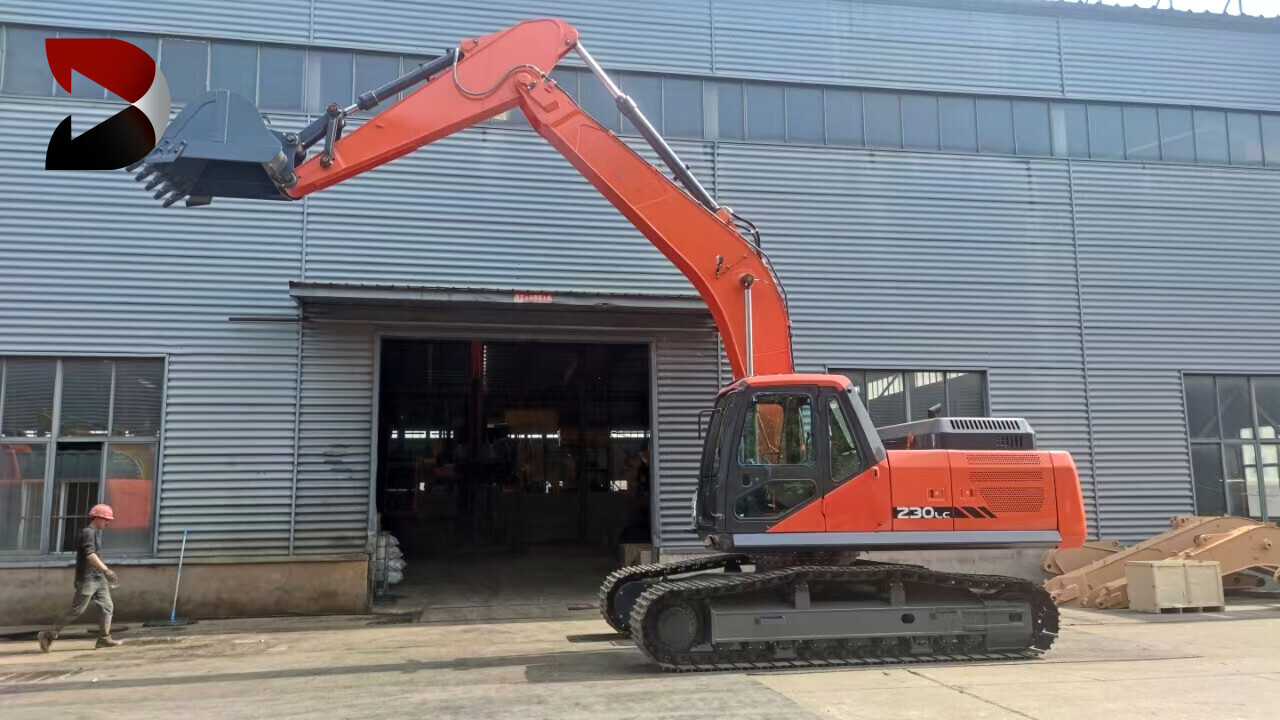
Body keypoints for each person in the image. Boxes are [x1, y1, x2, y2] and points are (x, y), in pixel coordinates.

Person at [38, 504, 121, 651]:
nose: (108, 523)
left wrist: (102, 573)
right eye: (106, 519)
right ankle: (49, 634)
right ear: (98, 518)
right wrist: (106, 569)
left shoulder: (95, 533)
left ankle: (104, 638)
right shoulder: (88, 533)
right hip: (87, 578)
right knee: (77, 609)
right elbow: (90, 555)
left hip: (98, 578)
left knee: (107, 607)